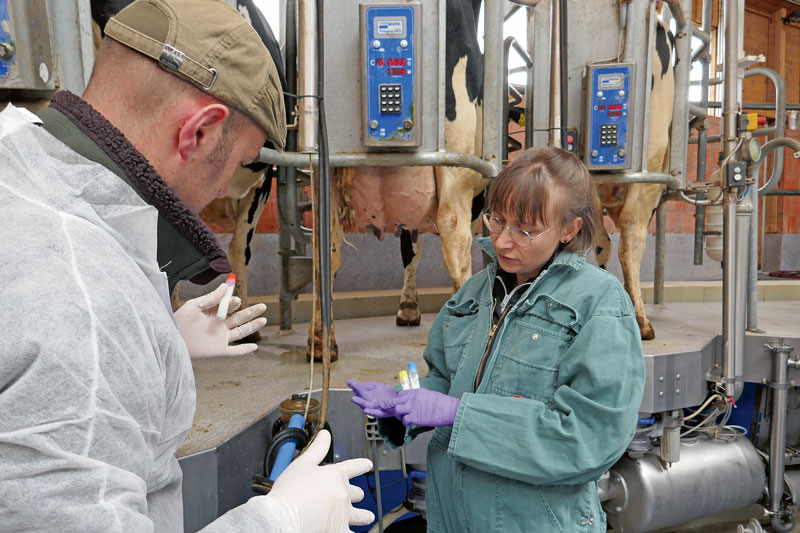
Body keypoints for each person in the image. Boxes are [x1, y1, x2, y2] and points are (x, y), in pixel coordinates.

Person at [0, 0, 373, 531]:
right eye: (241, 165)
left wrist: (158, 339)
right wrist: (280, 518)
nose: (227, 189)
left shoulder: (17, 159)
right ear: (198, 132)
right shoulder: (88, 309)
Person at [349, 146, 645, 532]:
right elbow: (448, 378)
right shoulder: (474, 293)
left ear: (569, 228)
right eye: (497, 220)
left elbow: (586, 440)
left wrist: (458, 414)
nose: (504, 241)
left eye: (525, 230)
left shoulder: (599, 304)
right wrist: (404, 401)